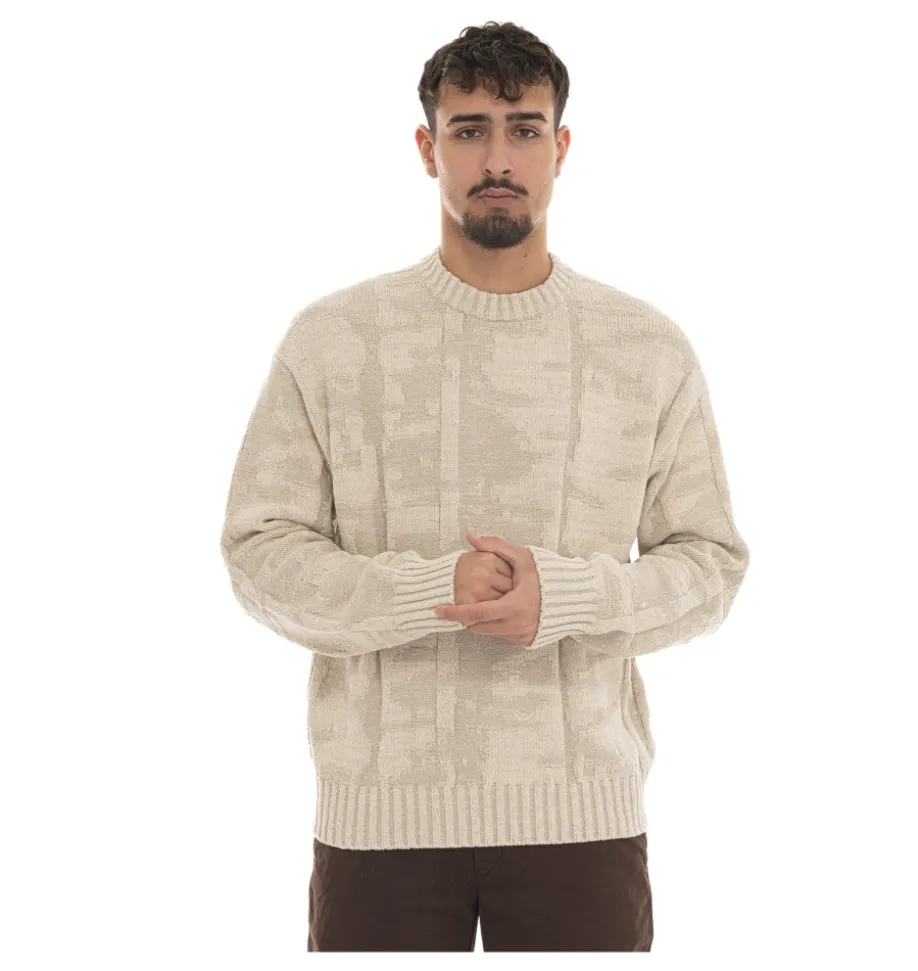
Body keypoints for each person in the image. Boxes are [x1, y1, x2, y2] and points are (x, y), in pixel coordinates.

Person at [218, 20, 750, 952]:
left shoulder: (645, 348)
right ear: (428, 149)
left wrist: (568, 596)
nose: (497, 158)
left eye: (523, 129)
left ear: (561, 148)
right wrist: (432, 589)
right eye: (469, 130)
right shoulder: (335, 340)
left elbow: (710, 564)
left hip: (581, 819)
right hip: (380, 822)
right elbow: (259, 550)